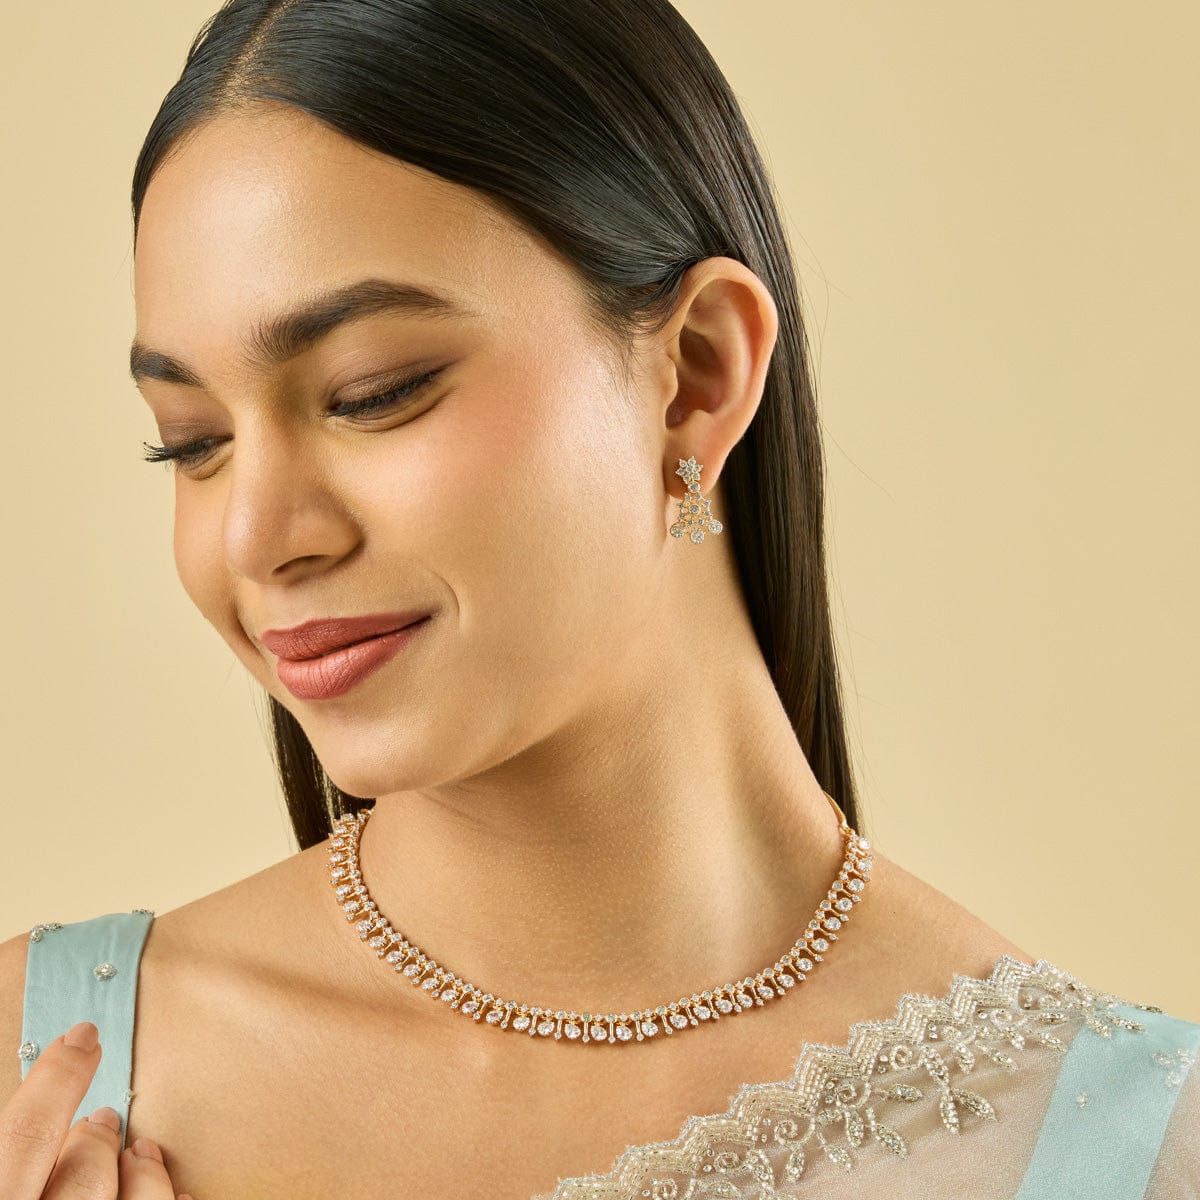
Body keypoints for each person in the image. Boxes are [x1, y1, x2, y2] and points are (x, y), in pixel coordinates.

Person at [2, 1, 1196, 1197]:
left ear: (697, 376)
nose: (257, 538)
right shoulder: (36, 1080)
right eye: (192, 442)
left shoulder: (1123, 1149)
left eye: (374, 391)